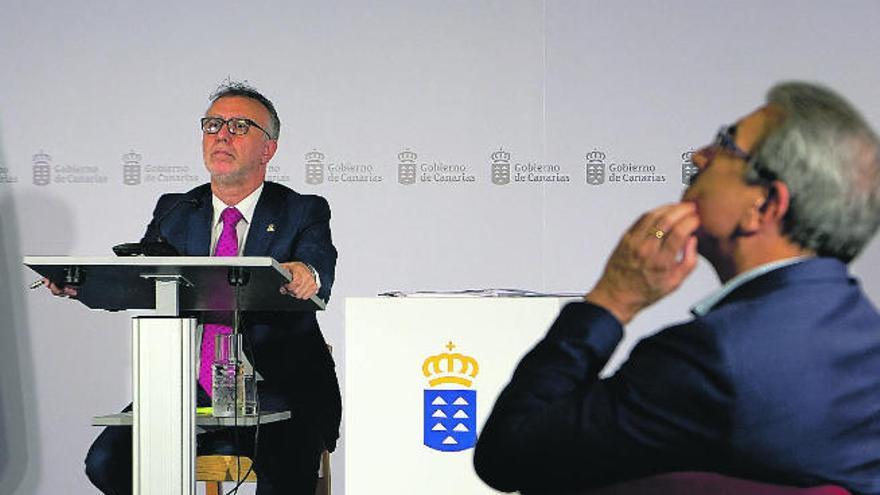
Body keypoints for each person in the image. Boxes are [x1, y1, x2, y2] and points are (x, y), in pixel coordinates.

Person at [473, 82, 880, 495]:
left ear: (765, 206)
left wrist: (613, 298)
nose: (697, 156)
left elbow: (510, 453)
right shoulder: (866, 331)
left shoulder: (713, 358)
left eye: (725, 144)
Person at [55, 81, 341, 494]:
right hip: (190, 387)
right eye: (212, 124)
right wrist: (78, 285)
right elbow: (142, 284)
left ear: (268, 149)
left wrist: (304, 272)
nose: (221, 135)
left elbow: (317, 267)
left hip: (280, 391)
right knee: (106, 461)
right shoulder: (176, 209)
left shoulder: (301, 209)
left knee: (285, 478)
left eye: (239, 126)